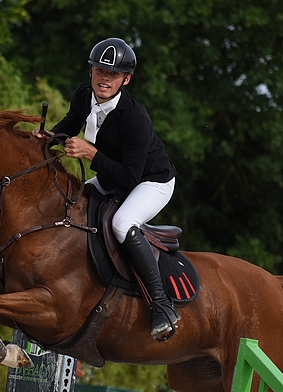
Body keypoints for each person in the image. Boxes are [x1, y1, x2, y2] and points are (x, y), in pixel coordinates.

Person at [37, 37, 180, 340]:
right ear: (90, 71)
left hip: (150, 181)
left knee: (121, 223)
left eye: (113, 74)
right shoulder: (83, 95)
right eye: (100, 70)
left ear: (125, 79)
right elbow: (70, 124)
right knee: (72, 201)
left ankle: (162, 305)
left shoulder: (134, 118)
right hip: (114, 175)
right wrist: (46, 137)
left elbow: (130, 177)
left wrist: (90, 154)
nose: (105, 78)